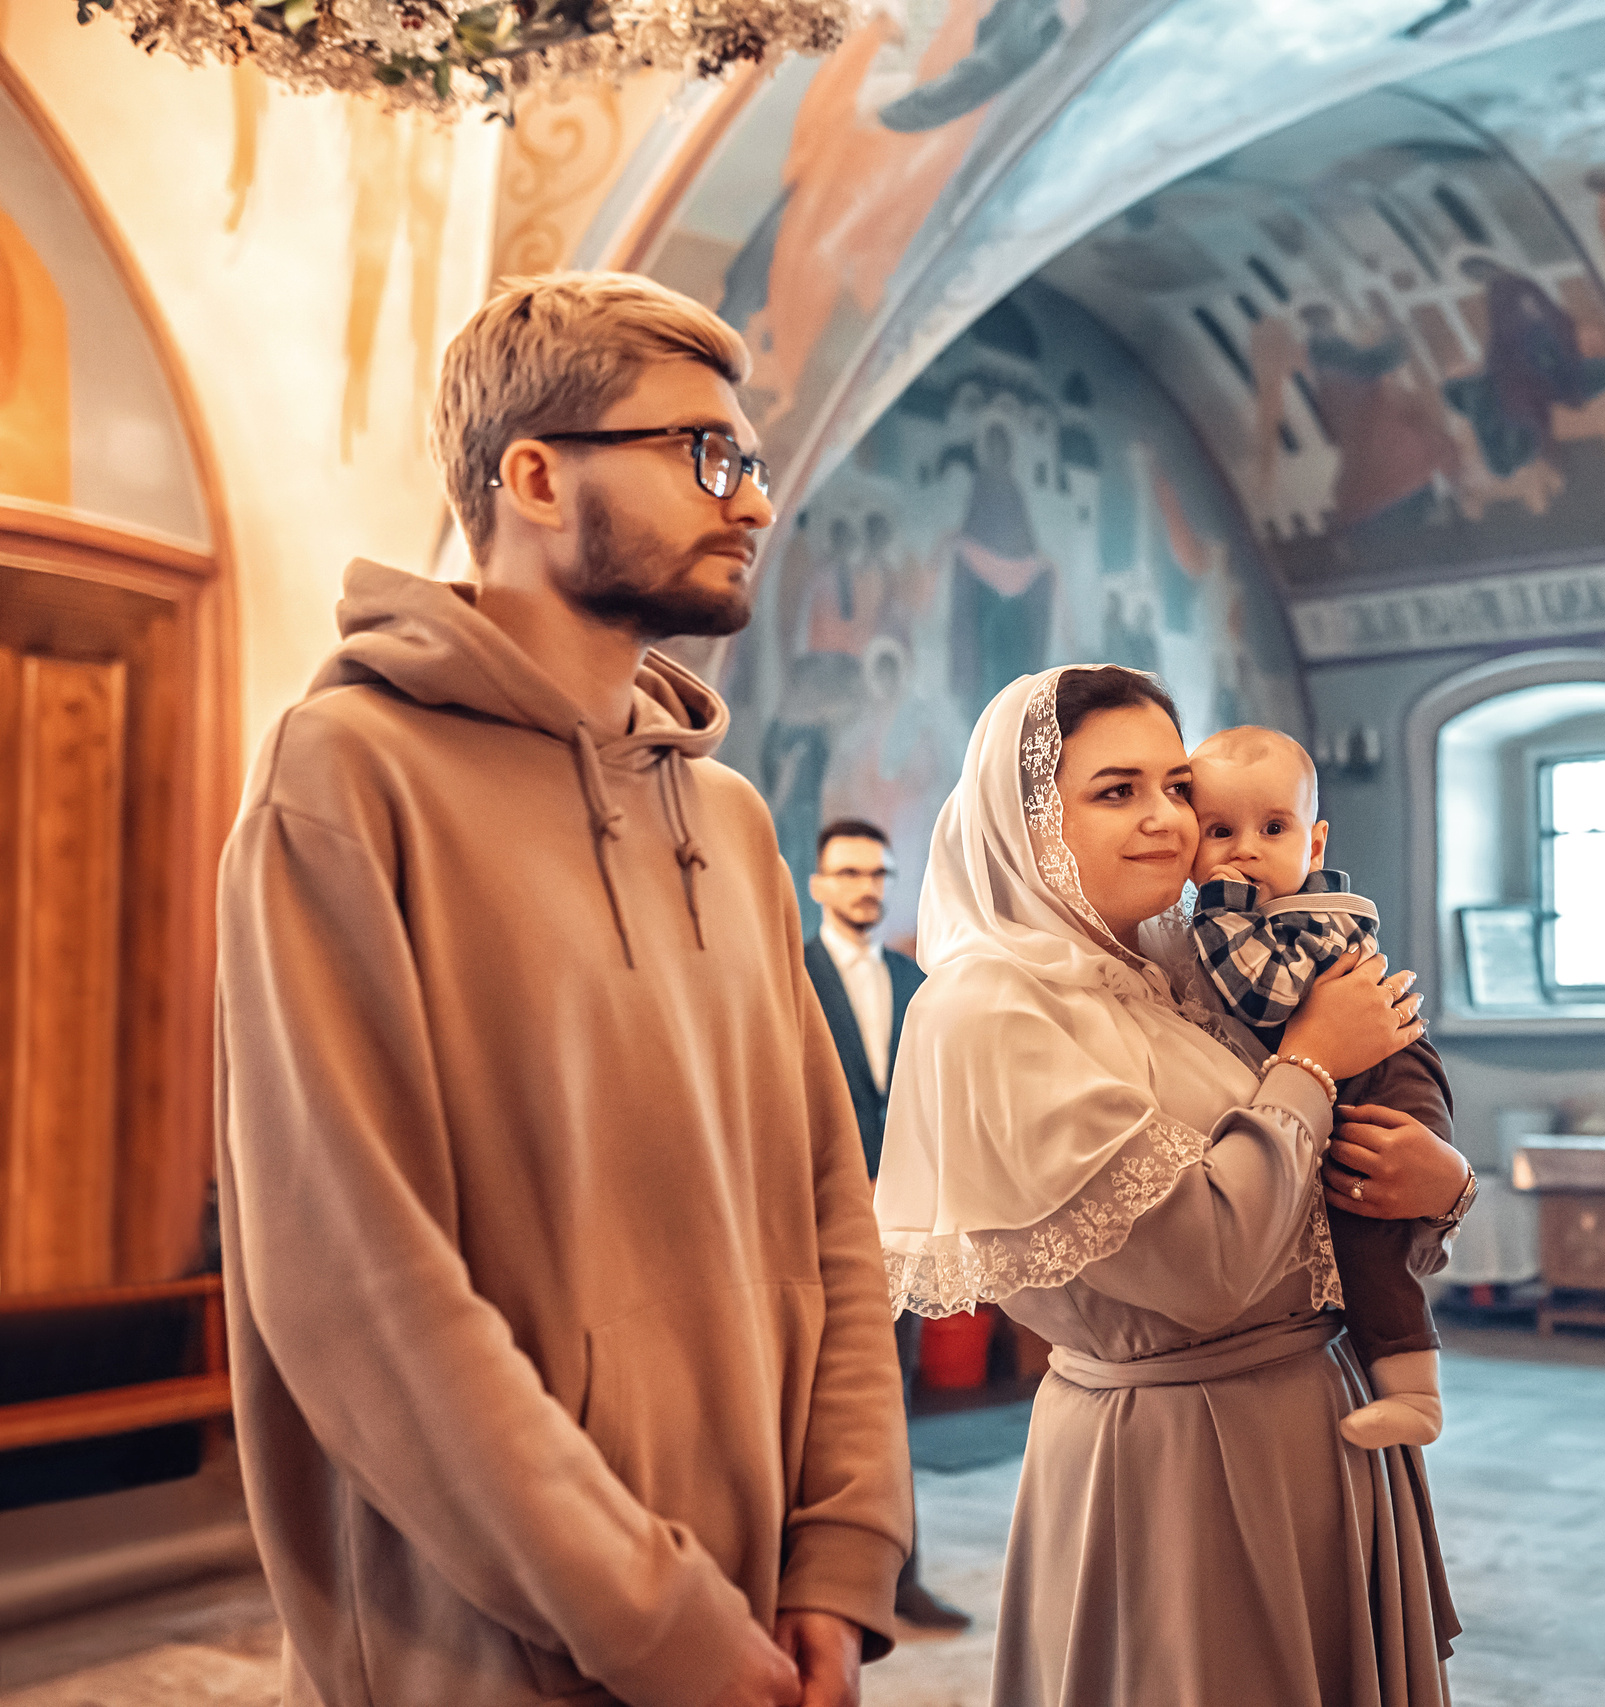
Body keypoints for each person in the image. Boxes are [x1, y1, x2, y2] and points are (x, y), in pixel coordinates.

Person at [214, 271, 910, 1707]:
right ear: (534, 473)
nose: (755, 502)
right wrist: (648, 1615)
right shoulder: (347, 777)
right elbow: (360, 1280)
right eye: (703, 454)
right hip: (483, 1643)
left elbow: (834, 1214)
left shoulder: (730, 823)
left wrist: (839, 1552)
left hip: (763, 1619)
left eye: (755, 461)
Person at [872, 665, 1468, 1706]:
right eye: (1116, 792)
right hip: (1178, 1457)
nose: (1165, 820)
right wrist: (1315, 1061)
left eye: (1176, 787)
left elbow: (1329, 1194)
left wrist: (1445, 1179)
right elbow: (1205, 1266)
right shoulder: (995, 1009)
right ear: (1030, 820)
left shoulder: (1182, 968)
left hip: (1314, 1412)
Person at [1184, 725, 1473, 1452]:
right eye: (1218, 830)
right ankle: (1409, 1385)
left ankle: (1414, 1389)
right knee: (1362, 1222)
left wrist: (1215, 902)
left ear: (1313, 848)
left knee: (1368, 1221)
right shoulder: (1275, 919)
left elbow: (1268, 1003)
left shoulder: (1289, 924)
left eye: (1271, 827)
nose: (1245, 848)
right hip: (1377, 1068)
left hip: (1389, 1071)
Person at [803, 817, 969, 1634]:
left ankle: (900, 1575)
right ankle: (799, 1583)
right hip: (805, 1227)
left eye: (880, 872)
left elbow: (931, 1098)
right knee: (803, 1406)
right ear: (818, 884)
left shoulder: (914, 982)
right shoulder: (786, 973)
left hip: (898, 1228)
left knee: (890, 1401)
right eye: (850, 872)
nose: (868, 885)